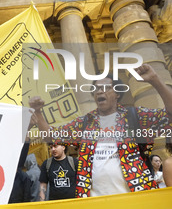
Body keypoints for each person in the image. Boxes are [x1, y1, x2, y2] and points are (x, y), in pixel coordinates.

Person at [29, 64, 172, 198]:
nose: (100, 91)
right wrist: (38, 111)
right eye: (96, 89)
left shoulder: (135, 116)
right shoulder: (85, 122)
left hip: (136, 198)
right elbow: (52, 138)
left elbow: (169, 115)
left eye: (105, 87)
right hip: (95, 203)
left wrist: (155, 80)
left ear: (117, 93)